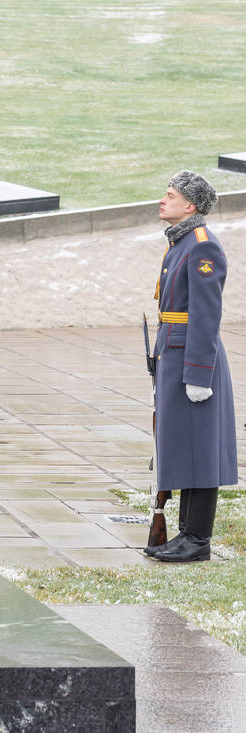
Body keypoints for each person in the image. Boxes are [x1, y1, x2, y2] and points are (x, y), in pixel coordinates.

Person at [147, 170, 236, 563]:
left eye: (170, 195)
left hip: (194, 360)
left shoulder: (201, 246)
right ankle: (184, 533)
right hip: (175, 354)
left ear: (191, 205)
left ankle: (197, 539)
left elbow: (205, 313)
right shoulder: (180, 242)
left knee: (200, 449)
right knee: (183, 447)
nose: (162, 201)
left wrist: (199, 374)